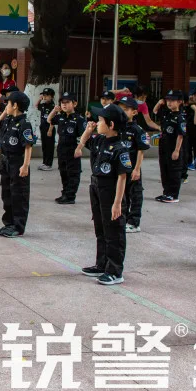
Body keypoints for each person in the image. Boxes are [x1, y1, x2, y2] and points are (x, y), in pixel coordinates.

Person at [79, 104, 132, 286]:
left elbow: (122, 177)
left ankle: (115, 271)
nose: (97, 123)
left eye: (100, 121)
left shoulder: (120, 148)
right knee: (101, 229)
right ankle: (101, 264)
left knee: (114, 232)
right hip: (97, 188)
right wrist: (88, 131)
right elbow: (85, 142)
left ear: (110, 124)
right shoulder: (101, 140)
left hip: (111, 193)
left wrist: (117, 203)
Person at [0, 91, 35, 237]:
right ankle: (9, 223)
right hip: (5, 161)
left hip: (17, 162)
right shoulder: (8, 120)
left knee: (19, 195)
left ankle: (18, 227)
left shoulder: (25, 124)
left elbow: (28, 146)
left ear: (15, 105)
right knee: (7, 193)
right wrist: (5, 112)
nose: (6, 106)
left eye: (9, 103)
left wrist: (25, 165)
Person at [116, 96, 150, 234]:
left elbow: (141, 150)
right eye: (120, 109)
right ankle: (122, 220)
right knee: (122, 195)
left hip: (132, 168)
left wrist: (137, 169)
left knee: (134, 195)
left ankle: (134, 222)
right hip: (120, 169)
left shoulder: (137, 129)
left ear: (134, 112)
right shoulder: (117, 127)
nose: (122, 112)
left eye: (125, 110)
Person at [49, 92, 86, 204]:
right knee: (63, 172)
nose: (64, 105)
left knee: (73, 174)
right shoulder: (61, 116)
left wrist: (79, 148)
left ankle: (70, 196)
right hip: (61, 149)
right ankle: (65, 193)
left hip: (72, 150)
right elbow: (49, 120)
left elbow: (84, 136)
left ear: (74, 103)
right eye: (62, 103)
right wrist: (55, 110)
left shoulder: (79, 119)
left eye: (67, 102)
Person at [153, 90, 187, 204]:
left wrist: (176, 150)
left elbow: (180, 135)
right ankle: (166, 193)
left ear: (180, 102)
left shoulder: (180, 117)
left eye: (172, 101)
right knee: (164, 169)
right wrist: (159, 102)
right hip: (164, 145)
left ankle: (173, 195)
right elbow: (155, 111)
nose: (169, 103)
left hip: (173, 146)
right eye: (168, 100)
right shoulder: (167, 113)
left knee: (174, 171)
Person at [0, 63, 17, 158]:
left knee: (7, 128)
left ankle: (5, 149)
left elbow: (14, 95)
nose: (7, 70)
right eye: (5, 68)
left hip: (9, 109)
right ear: (0, 69)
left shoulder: (12, 82)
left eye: (8, 68)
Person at [36, 88, 56, 171]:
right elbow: (37, 106)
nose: (44, 97)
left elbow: (53, 120)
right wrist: (39, 99)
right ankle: (44, 162)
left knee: (49, 146)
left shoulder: (53, 106)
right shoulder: (43, 105)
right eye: (43, 95)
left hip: (49, 129)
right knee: (44, 146)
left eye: (46, 95)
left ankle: (49, 164)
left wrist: (50, 130)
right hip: (43, 128)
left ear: (51, 96)